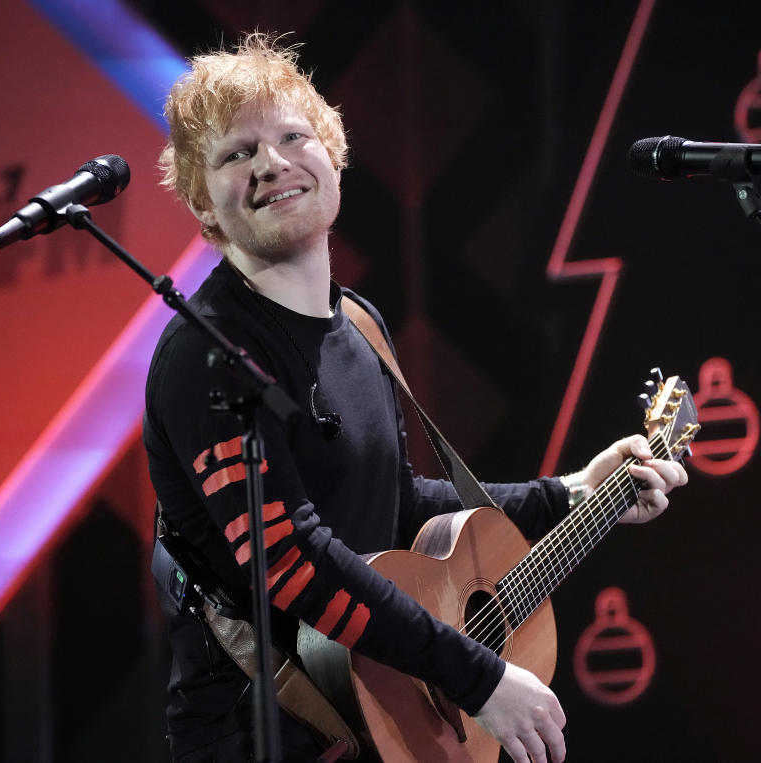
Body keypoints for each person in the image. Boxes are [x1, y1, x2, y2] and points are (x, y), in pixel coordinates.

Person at [142, 33, 687, 763]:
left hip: (382, 727)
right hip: (259, 739)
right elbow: (295, 562)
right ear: (204, 203)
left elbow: (395, 504)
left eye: (292, 136)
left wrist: (571, 492)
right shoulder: (203, 357)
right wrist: (480, 676)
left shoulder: (359, 324)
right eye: (236, 154)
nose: (271, 163)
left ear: (331, 155)